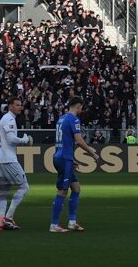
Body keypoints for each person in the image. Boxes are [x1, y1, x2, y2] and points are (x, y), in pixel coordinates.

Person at [50, 99, 97, 234]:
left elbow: (64, 140)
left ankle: (72, 222)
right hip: (64, 158)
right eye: (81, 108)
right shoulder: (74, 120)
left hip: (61, 156)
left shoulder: (61, 118)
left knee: (76, 188)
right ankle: (54, 225)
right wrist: (92, 152)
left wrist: (71, 160)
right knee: (63, 191)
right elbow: (79, 140)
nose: (81, 111)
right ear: (78, 106)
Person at [0, 97, 33, 231]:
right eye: (17, 105)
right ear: (10, 106)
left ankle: (1, 221)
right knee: (24, 187)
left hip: (0, 158)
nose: (20, 107)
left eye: (20, 105)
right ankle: (9, 217)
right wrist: (24, 140)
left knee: (4, 191)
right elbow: (11, 139)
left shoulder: (6, 118)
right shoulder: (9, 119)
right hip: (8, 159)